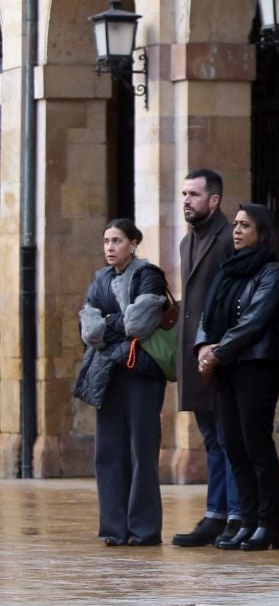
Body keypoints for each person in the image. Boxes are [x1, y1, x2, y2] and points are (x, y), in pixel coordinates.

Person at [194, 204, 279, 551]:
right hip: (225, 367)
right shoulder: (227, 269)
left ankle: (269, 524)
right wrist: (203, 347)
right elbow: (207, 314)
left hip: (255, 365)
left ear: (261, 232)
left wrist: (218, 353)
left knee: (256, 445)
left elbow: (255, 319)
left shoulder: (272, 272)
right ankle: (246, 520)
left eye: (245, 225)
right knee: (232, 444)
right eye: (235, 224)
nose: (236, 230)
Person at [76, 219, 171, 546]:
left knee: (142, 449)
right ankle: (114, 529)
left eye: (116, 241)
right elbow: (87, 328)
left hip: (142, 371)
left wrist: (107, 324)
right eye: (106, 241)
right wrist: (108, 326)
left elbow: (138, 323)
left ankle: (143, 529)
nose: (110, 248)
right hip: (108, 372)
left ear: (133, 243)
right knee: (109, 450)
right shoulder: (100, 278)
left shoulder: (149, 275)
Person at [172, 169, 238, 547]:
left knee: (228, 437)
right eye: (184, 194)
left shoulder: (230, 237)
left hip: (217, 352)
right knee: (211, 438)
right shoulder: (186, 242)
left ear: (214, 200)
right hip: (192, 352)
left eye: (194, 194)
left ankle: (234, 514)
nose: (187, 201)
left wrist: (218, 344)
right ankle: (215, 513)